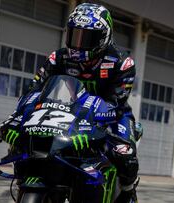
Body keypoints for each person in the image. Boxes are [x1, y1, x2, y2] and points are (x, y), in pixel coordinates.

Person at [31, 3, 140, 202]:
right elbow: (35, 89)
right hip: (67, 112)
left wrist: (98, 122)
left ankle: (128, 191)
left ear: (104, 37)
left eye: (86, 37)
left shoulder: (122, 63)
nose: (78, 43)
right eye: (75, 35)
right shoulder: (59, 58)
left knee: (125, 154)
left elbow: (116, 102)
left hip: (113, 116)